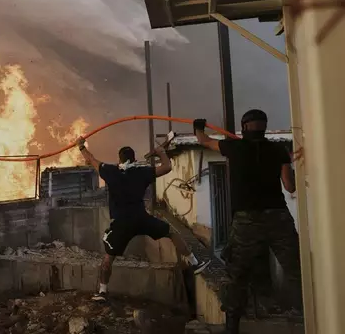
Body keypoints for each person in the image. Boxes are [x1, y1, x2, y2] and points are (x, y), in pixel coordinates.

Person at [193, 109, 302, 334]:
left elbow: (204, 141)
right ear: (264, 126)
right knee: (296, 268)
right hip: (278, 217)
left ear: (244, 127)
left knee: (237, 273)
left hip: (246, 220)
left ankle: (232, 325)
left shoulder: (234, 147)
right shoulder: (278, 150)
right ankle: (311, 315)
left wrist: (198, 127)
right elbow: (290, 186)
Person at [77, 137, 210, 303]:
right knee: (171, 232)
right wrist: (161, 153)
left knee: (108, 258)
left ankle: (102, 291)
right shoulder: (142, 172)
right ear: (133, 158)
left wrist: (81, 145)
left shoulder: (110, 171)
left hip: (121, 223)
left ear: (119, 158)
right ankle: (194, 262)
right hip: (141, 219)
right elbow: (167, 167)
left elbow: (90, 159)